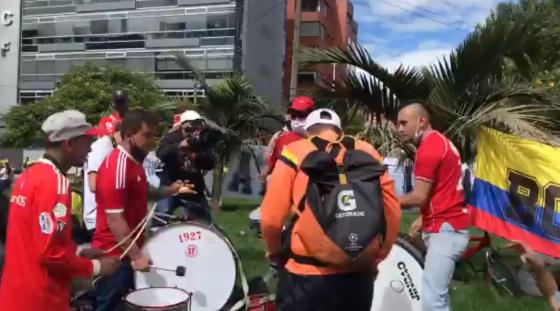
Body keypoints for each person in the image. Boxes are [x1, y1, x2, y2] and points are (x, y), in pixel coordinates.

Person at [260, 109, 401, 311]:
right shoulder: (368, 151)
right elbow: (392, 211)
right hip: (358, 271)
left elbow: (271, 217)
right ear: (338, 129)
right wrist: (377, 256)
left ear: (309, 131)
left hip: (306, 275)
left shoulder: (295, 151)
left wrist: (273, 251)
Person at [0, 110, 121, 311]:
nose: (91, 150)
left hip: (14, 294)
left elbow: (38, 239)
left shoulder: (27, 177)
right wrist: (96, 267)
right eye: (88, 142)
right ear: (69, 143)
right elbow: (50, 254)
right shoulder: (55, 183)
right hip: (42, 299)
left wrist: (79, 252)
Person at [92, 109, 191, 311]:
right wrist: (137, 256)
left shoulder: (134, 162)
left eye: (153, 135)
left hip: (129, 249)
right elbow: (115, 220)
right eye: (146, 135)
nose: (151, 140)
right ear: (129, 134)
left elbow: (145, 192)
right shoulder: (117, 166)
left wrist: (170, 190)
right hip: (115, 254)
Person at [396, 101, 470, 311]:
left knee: (431, 302)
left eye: (403, 123)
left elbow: (419, 196)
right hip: (449, 226)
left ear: (421, 121)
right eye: (397, 124)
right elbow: (442, 189)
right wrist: (423, 218)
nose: (399, 129)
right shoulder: (441, 142)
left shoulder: (429, 148)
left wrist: (384, 200)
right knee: (438, 298)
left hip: (446, 231)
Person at [156, 110, 219, 223]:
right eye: (190, 126)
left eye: (197, 126)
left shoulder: (201, 139)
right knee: (160, 217)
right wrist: (180, 146)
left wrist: (196, 156)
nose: (193, 130)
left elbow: (211, 163)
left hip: (192, 188)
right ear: (182, 126)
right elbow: (160, 154)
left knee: (204, 222)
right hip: (171, 187)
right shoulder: (172, 137)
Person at [259, 96, 315, 182]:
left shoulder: (321, 140)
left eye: (301, 115)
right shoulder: (280, 138)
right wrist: (264, 174)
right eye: (293, 115)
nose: (296, 119)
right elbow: (272, 159)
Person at [83, 125, 122, 242]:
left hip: (106, 218)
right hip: (97, 219)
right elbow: (93, 184)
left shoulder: (111, 147)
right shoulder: (102, 147)